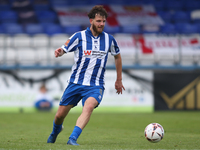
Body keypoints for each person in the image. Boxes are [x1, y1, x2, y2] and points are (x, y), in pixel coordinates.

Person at [47, 5, 125, 146]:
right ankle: (55, 132)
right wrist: (60, 51)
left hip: (95, 85)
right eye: (98, 21)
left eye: (103, 21)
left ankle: (73, 138)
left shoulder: (109, 39)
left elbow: (117, 57)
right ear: (91, 21)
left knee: (88, 107)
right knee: (59, 116)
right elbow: (64, 48)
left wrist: (119, 79)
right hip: (76, 83)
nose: (101, 24)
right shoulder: (79, 36)